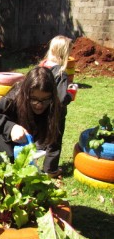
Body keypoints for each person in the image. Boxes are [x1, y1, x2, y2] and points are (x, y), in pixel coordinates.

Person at [0, 66, 61, 171]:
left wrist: (49, 170)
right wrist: (10, 128)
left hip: (20, 154)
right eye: (34, 99)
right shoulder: (14, 98)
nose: (39, 105)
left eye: (45, 100)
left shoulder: (55, 107)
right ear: (26, 94)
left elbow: (55, 139)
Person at [38, 35, 75, 177]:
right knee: (54, 140)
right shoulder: (60, 73)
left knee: (39, 137)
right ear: (63, 53)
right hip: (54, 114)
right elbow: (61, 99)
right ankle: (51, 170)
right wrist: (70, 94)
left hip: (39, 111)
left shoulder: (41, 66)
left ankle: (29, 162)